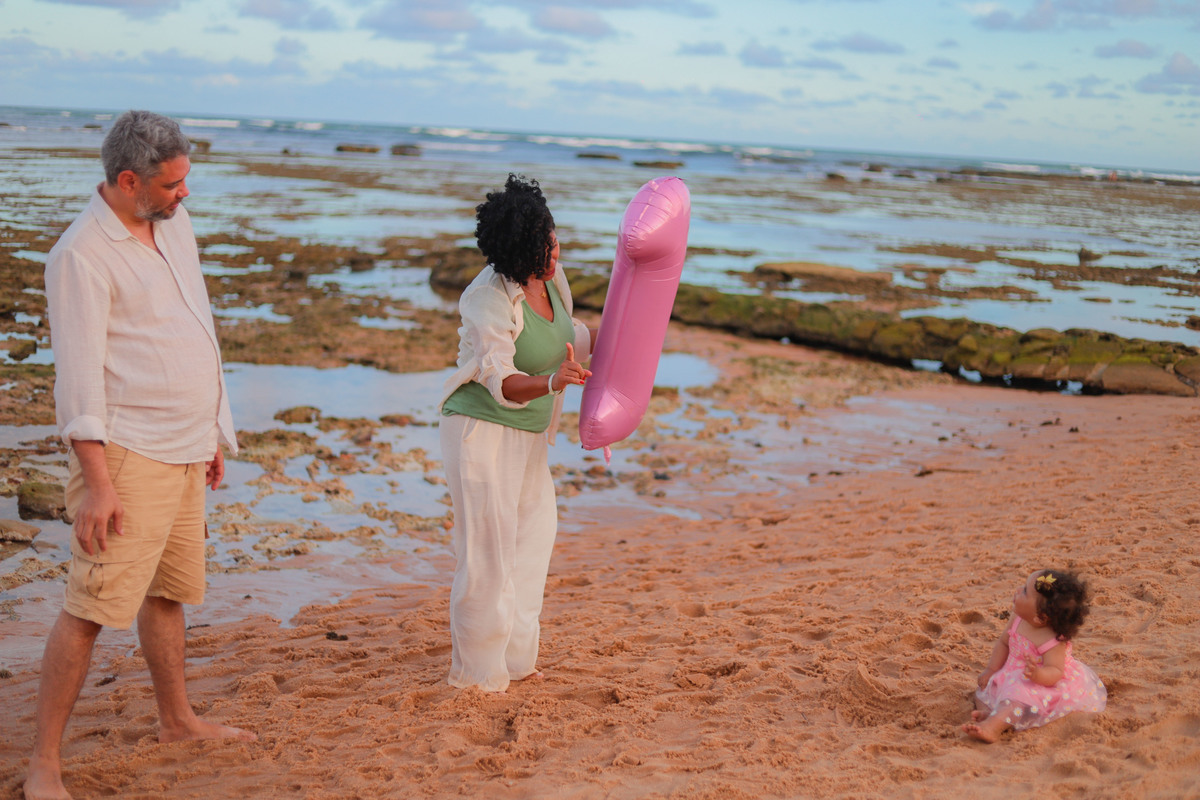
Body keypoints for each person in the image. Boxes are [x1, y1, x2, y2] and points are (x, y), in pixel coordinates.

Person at [24, 110, 253, 800]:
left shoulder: (172, 226)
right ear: (130, 181)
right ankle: (43, 765)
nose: (186, 194)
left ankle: (177, 720)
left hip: (185, 447)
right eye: (174, 183)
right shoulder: (80, 256)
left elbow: (195, 323)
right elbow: (80, 381)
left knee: (169, 593)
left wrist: (213, 427)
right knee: (90, 607)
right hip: (129, 456)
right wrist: (98, 485)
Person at [438, 174, 596, 692]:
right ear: (518, 251)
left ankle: (517, 663)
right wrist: (553, 381)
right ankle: (478, 677)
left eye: (554, 240)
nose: (554, 253)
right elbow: (501, 379)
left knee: (533, 544)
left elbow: (569, 335)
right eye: (544, 247)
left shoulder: (553, 279)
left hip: (528, 439)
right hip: (481, 436)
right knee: (487, 559)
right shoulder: (486, 297)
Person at [963, 568, 1106, 743]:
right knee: (982, 691)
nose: (1017, 590)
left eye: (1024, 592)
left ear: (1040, 618)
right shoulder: (1018, 617)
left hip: (1040, 683)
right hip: (1012, 674)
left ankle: (991, 728)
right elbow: (1003, 643)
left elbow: (1055, 671)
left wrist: (1037, 675)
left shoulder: (1053, 640)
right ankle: (994, 715)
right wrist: (991, 669)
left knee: (1016, 698)